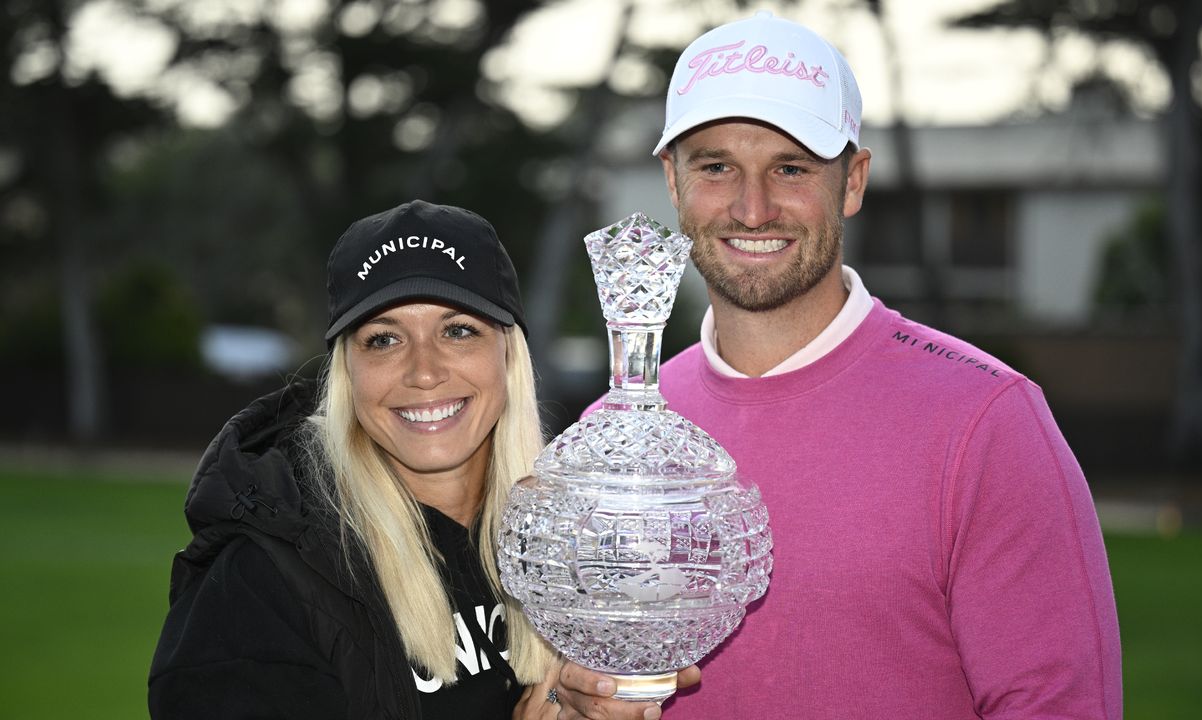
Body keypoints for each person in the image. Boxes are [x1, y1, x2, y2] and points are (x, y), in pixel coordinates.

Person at [568, 10, 1124, 720]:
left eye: (792, 167)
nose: (752, 207)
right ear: (673, 184)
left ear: (853, 182)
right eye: (716, 167)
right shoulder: (613, 434)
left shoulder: (984, 420)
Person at [150, 200, 572, 719]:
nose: (424, 371)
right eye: (384, 339)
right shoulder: (259, 589)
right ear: (347, 372)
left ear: (509, 354)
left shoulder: (570, 546)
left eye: (458, 330)